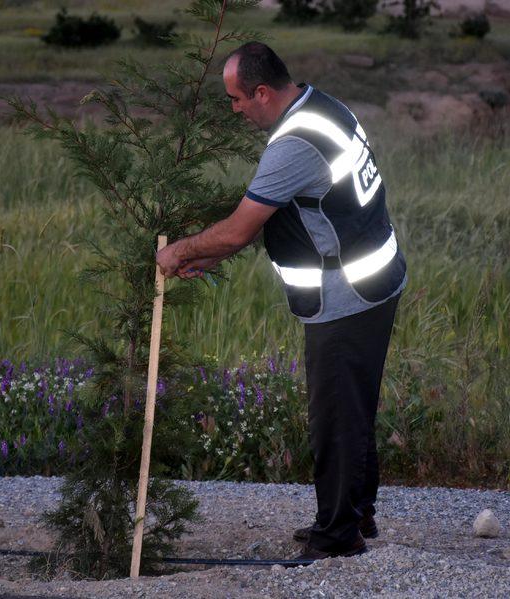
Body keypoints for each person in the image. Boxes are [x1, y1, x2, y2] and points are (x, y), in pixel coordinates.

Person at [156, 42, 406, 561]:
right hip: (376, 278)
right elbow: (299, 207)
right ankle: (358, 514)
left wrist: (181, 250)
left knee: (335, 415)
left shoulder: (292, 144)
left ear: (263, 92)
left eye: (236, 99)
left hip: (347, 295)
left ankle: (337, 538)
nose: (235, 109)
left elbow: (238, 231)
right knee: (353, 405)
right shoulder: (325, 106)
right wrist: (211, 253)